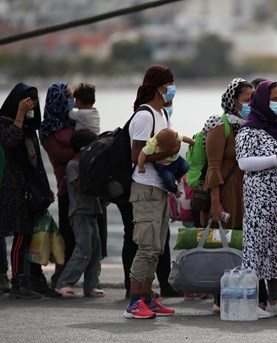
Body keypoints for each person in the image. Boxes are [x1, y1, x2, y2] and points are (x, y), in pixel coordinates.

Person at [235, 80, 277, 318]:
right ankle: (252, 303)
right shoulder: (248, 129)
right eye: (273, 99)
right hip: (259, 202)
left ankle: (275, 300)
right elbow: (244, 163)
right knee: (257, 249)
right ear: (261, 99)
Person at [198, 78, 260, 315]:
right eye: (247, 100)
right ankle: (219, 296)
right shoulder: (219, 124)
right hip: (225, 192)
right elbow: (213, 166)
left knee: (243, 244)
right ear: (234, 100)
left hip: (247, 192)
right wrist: (215, 202)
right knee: (222, 242)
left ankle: (243, 292)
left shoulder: (253, 126)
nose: (251, 104)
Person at [123, 65, 177, 319]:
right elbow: (136, 155)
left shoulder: (162, 114)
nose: (173, 89)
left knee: (157, 247)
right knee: (146, 246)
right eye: (170, 83)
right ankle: (134, 302)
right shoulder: (144, 116)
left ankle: (147, 297)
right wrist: (168, 153)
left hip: (159, 188)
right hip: (145, 189)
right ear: (159, 87)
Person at [0, 83, 54, 299]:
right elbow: (10, 141)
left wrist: (45, 189)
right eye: (26, 103)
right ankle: (18, 281)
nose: (31, 108)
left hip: (31, 192)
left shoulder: (31, 130)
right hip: (12, 191)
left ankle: (32, 278)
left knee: (30, 235)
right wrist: (20, 115)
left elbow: (36, 163)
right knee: (20, 235)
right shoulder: (4, 123)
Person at [54, 129, 104, 298]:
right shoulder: (73, 166)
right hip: (79, 212)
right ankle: (64, 282)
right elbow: (77, 186)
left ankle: (91, 285)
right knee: (84, 249)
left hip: (92, 211)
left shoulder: (87, 165)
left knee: (95, 250)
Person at [39, 82, 76, 295]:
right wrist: (81, 148)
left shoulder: (75, 120)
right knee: (67, 236)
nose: (71, 101)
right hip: (65, 186)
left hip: (83, 185)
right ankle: (60, 278)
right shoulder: (47, 130)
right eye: (68, 97)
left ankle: (84, 278)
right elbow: (60, 155)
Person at [137, 127, 194, 197]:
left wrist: (191, 142)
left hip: (176, 159)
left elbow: (184, 138)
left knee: (186, 167)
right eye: (169, 149)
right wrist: (141, 166)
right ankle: (175, 190)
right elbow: (142, 153)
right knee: (168, 180)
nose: (172, 150)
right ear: (159, 145)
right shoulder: (152, 144)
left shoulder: (174, 136)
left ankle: (177, 176)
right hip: (163, 166)